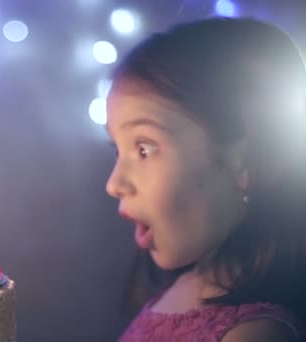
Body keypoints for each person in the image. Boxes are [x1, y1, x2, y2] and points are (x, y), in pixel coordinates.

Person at [105, 17, 306, 341]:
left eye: (144, 148)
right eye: (117, 150)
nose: (114, 184)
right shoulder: (177, 289)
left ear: (242, 160)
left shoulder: (254, 332)